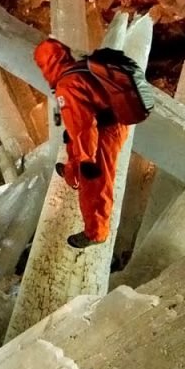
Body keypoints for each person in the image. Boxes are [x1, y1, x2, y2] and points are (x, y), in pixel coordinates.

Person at [34, 38, 130, 249]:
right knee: (74, 149)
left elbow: (86, 126)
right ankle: (72, 175)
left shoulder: (68, 84)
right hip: (101, 121)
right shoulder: (72, 75)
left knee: (97, 182)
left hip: (108, 128)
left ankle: (96, 232)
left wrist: (87, 159)